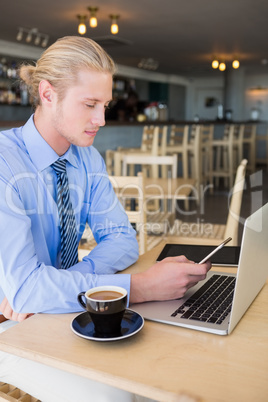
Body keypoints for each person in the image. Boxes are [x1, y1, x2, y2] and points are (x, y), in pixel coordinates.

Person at [0, 36, 210, 401]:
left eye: (106, 105)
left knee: (160, 374)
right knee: (113, 396)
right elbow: (25, 291)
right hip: (8, 325)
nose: (101, 119)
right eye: (90, 104)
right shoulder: (5, 165)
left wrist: (53, 286)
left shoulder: (87, 160)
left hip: (50, 310)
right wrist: (139, 288)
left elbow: (122, 240)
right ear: (48, 94)